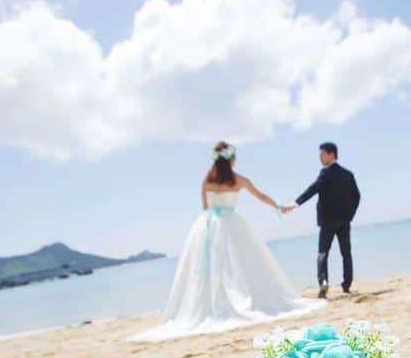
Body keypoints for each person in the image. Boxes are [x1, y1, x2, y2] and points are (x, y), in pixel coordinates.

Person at [128, 142, 321, 342]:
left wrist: (209, 218)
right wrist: (279, 207)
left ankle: (211, 305)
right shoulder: (239, 180)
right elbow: (261, 196)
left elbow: (204, 204)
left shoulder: (207, 179)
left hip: (206, 226)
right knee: (238, 267)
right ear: (232, 159)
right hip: (231, 224)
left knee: (209, 270)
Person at [281, 142, 360, 298]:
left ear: (332, 154)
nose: (320, 158)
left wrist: (295, 203)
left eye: (322, 154)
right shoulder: (348, 174)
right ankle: (347, 285)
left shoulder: (326, 173)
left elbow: (313, 189)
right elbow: (356, 196)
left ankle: (323, 283)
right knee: (346, 253)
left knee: (323, 253)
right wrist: (349, 215)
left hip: (328, 221)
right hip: (345, 221)